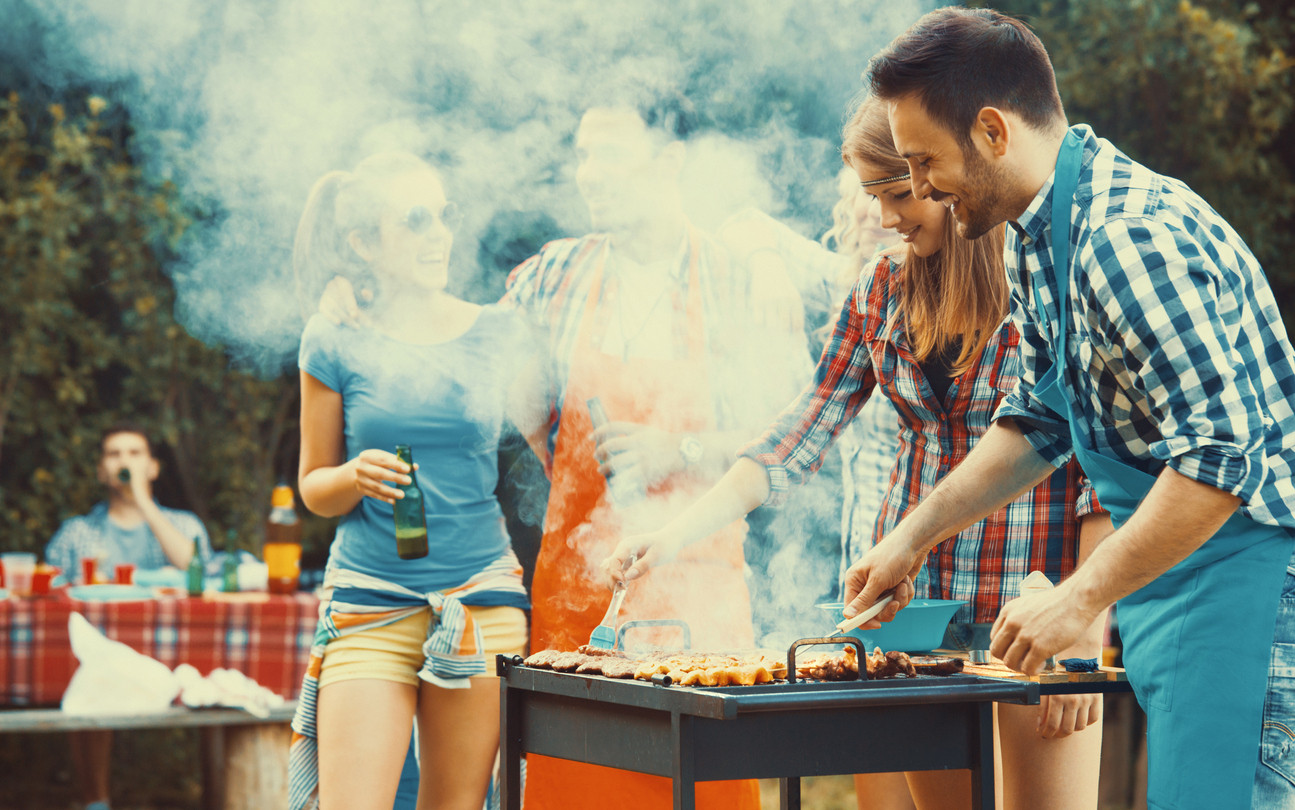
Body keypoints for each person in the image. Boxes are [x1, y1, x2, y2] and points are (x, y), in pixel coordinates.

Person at [841, 7, 1295, 808]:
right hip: (1181, 582)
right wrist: (911, 540)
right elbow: (1040, 421)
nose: (916, 191)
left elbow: (1221, 461)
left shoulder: (1123, 240)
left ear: (989, 130)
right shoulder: (1039, 235)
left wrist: (1081, 597)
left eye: (921, 161)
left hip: (1251, 583)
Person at [604, 94, 1111, 810]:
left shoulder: (1045, 286)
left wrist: (1080, 634)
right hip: (916, 624)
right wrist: (675, 533)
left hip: (1031, 616)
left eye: (897, 193)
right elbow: (801, 430)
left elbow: (1098, 467)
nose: (883, 217)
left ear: (944, 176)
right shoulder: (879, 289)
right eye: (873, 195)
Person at [500, 96, 809, 810]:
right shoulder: (552, 276)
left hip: (699, 591)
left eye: (608, 154)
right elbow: (511, 392)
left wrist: (680, 446)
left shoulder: (736, 277)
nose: (588, 173)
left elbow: (792, 441)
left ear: (667, 162)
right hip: (578, 596)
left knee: (702, 789)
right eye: (581, 155)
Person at [287, 151, 536, 810]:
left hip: (480, 597)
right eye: (416, 220)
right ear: (364, 243)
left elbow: (556, 447)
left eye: (443, 216)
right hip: (370, 599)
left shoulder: (499, 332)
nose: (439, 236)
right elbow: (312, 487)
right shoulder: (334, 335)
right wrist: (351, 474)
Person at [44, 422, 211, 810]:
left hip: (176, 655)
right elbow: (52, 596)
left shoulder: (184, 526)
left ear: (153, 468)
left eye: (135, 454)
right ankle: (96, 802)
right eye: (114, 454)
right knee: (90, 673)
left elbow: (194, 567)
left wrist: (144, 501)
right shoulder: (78, 533)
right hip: (104, 657)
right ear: (102, 470)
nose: (125, 461)